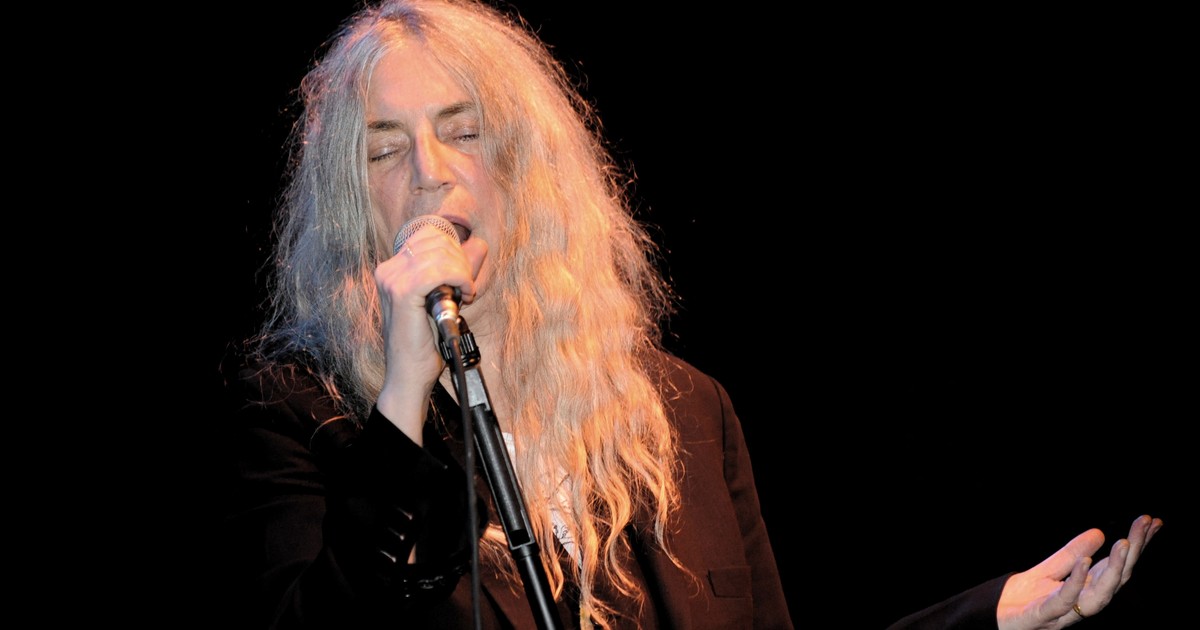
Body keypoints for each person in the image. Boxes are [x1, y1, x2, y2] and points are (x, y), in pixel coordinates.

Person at [216, 1, 1163, 628]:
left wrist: (986, 617)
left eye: (463, 131)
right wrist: (403, 398)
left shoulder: (680, 412)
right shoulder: (302, 414)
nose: (430, 172)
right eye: (385, 150)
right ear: (351, 204)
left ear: (527, 171)